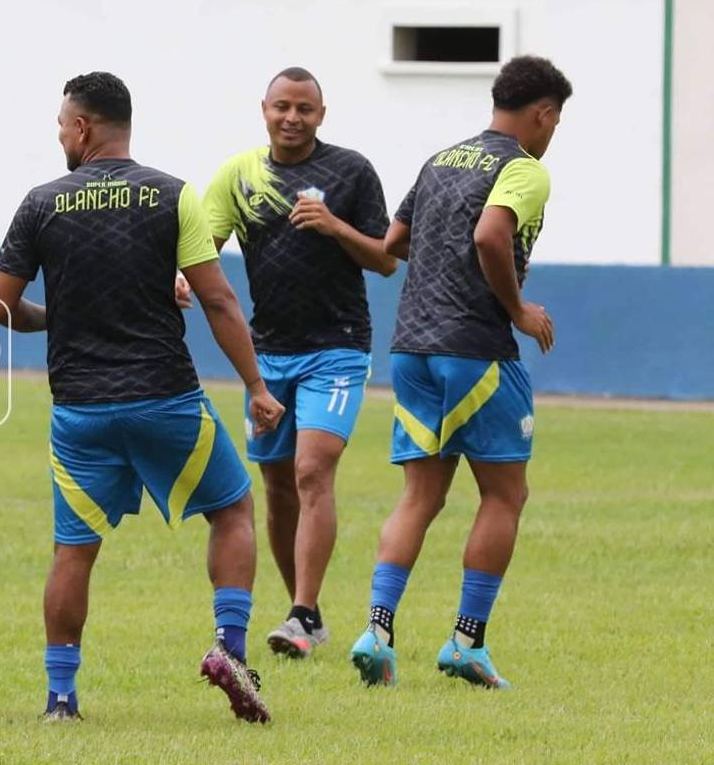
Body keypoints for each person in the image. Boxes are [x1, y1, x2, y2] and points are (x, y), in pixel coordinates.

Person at [0, 72, 285, 724]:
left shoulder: (41, 202)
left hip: (80, 411)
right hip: (165, 399)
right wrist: (257, 388)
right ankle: (231, 650)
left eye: (62, 125)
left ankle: (60, 698)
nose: (60, 136)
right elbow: (216, 298)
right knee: (233, 509)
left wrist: (59, 319)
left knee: (74, 550)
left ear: (82, 126)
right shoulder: (172, 195)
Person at [349, 55, 572, 690]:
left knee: (420, 496)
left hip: (411, 348)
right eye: (557, 122)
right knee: (504, 495)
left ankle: (377, 632)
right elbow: (490, 235)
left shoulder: (441, 160)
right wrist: (517, 309)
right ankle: (466, 644)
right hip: (476, 350)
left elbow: (394, 242)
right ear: (544, 114)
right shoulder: (524, 169)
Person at [202, 67, 396, 659]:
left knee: (313, 470)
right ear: (264, 109)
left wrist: (335, 227)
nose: (292, 118)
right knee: (279, 485)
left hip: (337, 347)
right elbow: (203, 248)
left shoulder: (351, 171)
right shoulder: (239, 175)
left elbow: (387, 259)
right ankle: (304, 616)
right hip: (267, 355)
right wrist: (182, 280)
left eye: (304, 109)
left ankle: (302, 611)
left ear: (321, 114)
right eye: (282, 106)